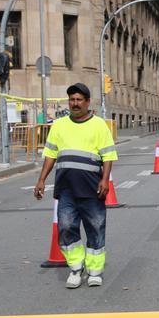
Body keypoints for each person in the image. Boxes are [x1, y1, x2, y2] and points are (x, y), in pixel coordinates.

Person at [34, 83, 117, 289]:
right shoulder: (59, 125)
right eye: (72, 100)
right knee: (66, 227)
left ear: (87, 102)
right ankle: (76, 267)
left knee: (96, 227)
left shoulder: (99, 125)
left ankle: (95, 271)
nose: (75, 103)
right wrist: (41, 179)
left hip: (92, 188)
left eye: (79, 100)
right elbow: (51, 154)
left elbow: (107, 155)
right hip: (66, 189)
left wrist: (105, 179)